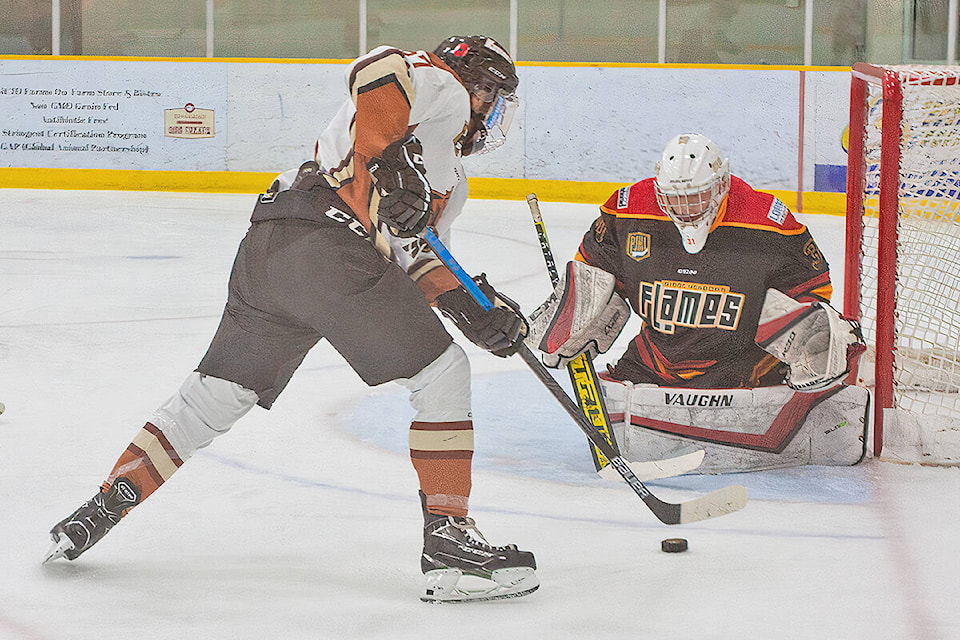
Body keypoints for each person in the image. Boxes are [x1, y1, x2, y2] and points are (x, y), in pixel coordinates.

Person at [44, 35, 538, 603]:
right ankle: (449, 543)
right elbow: (377, 70)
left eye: (493, 99)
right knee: (443, 375)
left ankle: (106, 502)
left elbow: (417, 257)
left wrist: (476, 309)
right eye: (488, 92)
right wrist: (385, 158)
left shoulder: (449, 178)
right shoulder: (439, 88)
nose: (486, 108)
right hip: (330, 250)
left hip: (273, 247)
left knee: (216, 395)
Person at [526, 133, 868, 472]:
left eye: (696, 197)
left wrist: (816, 342)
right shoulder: (627, 211)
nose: (685, 210)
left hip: (740, 367)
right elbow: (593, 275)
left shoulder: (768, 224)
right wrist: (572, 317)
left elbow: (813, 290)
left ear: (721, 186)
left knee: (811, 333)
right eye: (675, 199)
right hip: (654, 364)